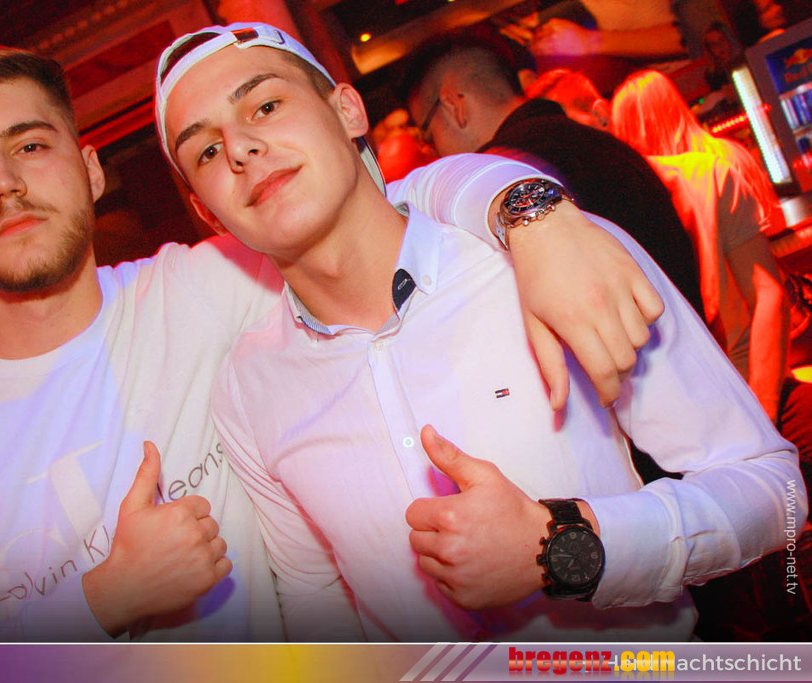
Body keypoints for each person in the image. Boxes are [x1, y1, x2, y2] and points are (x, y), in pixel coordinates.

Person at [0, 44, 660, 642]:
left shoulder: (205, 287)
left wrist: (529, 210)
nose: (3, 185)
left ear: (90, 170)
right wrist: (101, 598)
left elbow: (367, 196)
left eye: (29, 145)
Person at [156, 21, 803, 642]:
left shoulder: (549, 259)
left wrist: (568, 546)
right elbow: (319, 603)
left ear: (347, 110)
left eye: (266, 106)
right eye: (206, 150)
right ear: (206, 212)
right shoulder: (248, 386)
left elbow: (776, 489)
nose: (239, 147)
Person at [401, 30, 704, 322]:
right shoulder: (594, 141)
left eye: (428, 135)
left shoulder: (507, 175)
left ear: (455, 106)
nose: (433, 152)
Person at [611, 69, 789, 421]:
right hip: (763, 344)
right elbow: (774, 223)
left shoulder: (639, 198)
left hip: (733, 360)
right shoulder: (725, 156)